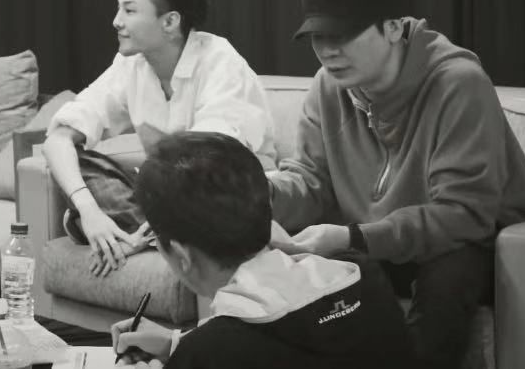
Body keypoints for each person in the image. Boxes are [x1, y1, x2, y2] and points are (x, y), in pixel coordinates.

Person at [268, 0, 525, 369]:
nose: (328, 50)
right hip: (382, 241)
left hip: (480, 243)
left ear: (393, 27)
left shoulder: (458, 83)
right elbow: (312, 182)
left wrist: (352, 237)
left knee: (447, 275)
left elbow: (464, 215)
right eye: (317, 36)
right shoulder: (327, 86)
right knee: (294, 270)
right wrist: (257, 195)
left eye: (342, 34)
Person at [44, 0, 276, 275]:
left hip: (228, 194)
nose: (116, 21)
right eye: (118, 9)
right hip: (166, 196)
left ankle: (140, 233)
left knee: (193, 186)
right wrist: (88, 211)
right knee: (79, 162)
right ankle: (149, 235)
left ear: (169, 21)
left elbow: (207, 165)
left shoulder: (220, 61)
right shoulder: (131, 64)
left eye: (129, 11)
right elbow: (57, 139)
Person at [110, 131, 413, 369]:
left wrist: (186, 352)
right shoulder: (362, 276)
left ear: (182, 255)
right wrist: (178, 344)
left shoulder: (208, 354)